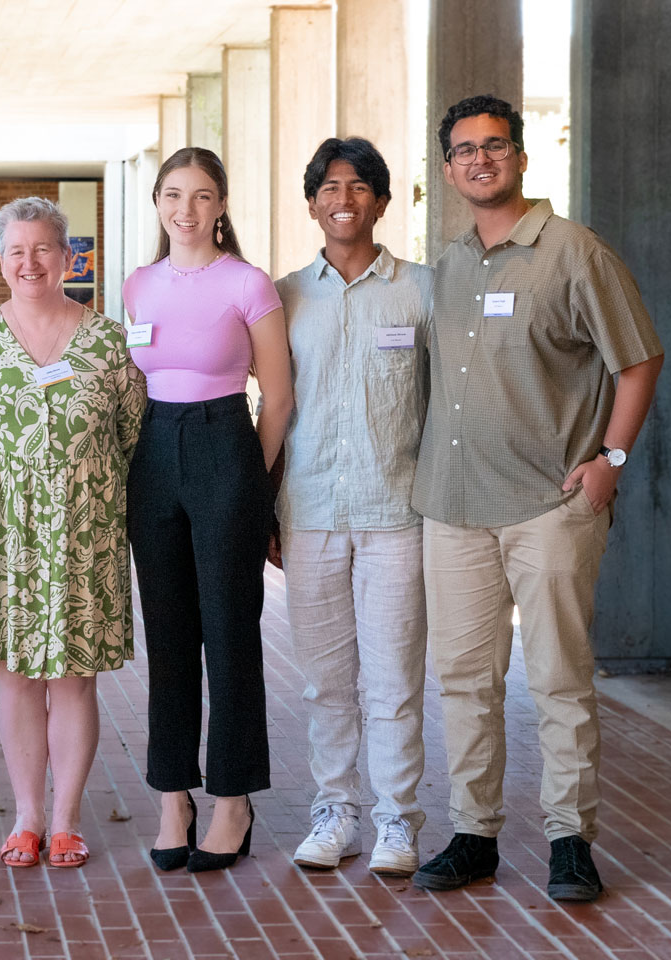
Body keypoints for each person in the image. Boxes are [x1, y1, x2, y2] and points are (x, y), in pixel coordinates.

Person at [410, 95, 663, 902]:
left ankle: (569, 841)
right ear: (447, 168)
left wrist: (610, 461)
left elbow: (639, 360)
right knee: (463, 678)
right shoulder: (447, 266)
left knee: (557, 677)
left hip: (548, 506)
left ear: (519, 157)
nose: (478, 160)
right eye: (463, 150)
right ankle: (474, 834)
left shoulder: (573, 251)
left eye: (493, 146)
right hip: (453, 507)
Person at [0, 197, 147, 869]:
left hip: (86, 533)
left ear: (67, 257)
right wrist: (19, 479)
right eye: (15, 252)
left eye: (43, 249)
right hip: (3, 533)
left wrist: (69, 483)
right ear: (1, 261)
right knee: (17, 679)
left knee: (75, 681)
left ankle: (65, 821)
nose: (29, 263)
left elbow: (130, 429)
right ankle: (25, 816)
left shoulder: (109, 339)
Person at [125, 147, 294, 874]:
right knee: (166, 634)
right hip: (151, 453)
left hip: (228, 446)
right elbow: (131, 387)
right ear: (158, 203)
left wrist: (248, 484)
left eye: (200, 196)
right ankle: (173, 796)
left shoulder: (249, 284)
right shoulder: (137, 285)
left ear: (221, 204)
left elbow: (279, 397)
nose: (185, 209)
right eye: (172, 195)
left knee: (229, 632)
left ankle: (233, 798)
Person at [272, 137, 432, 876]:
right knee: (327, 679)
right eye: (330, 186)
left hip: (397, 512)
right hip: (306, 511)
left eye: (360, 185)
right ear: (312, 203)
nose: (344, 198)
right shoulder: (281, 297)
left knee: (394, 677)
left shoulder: (423, 291)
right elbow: (264, 403)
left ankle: (399, 822)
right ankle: (335, 812)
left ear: (381, 200)